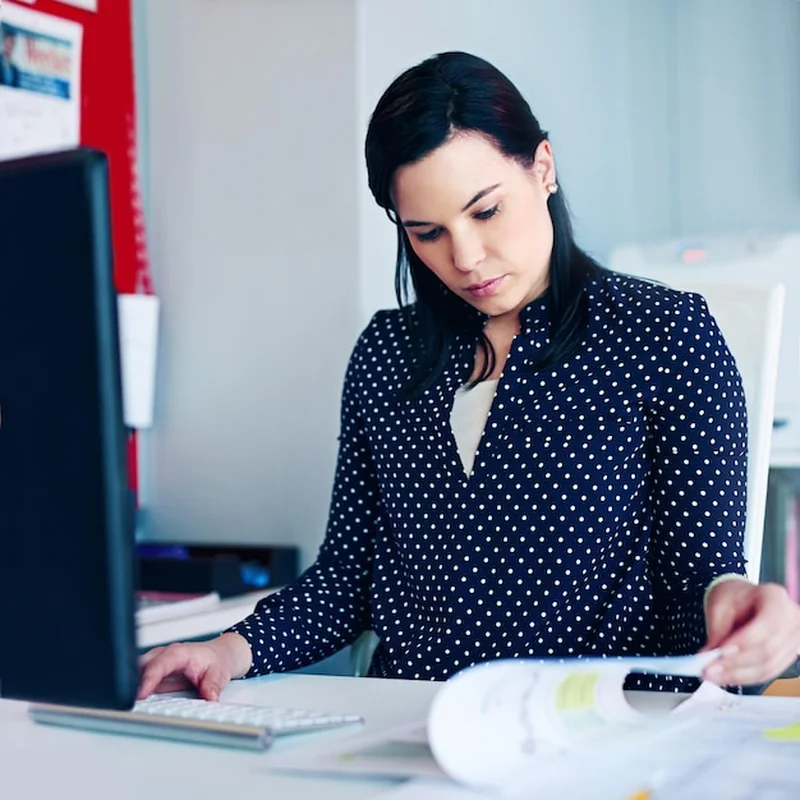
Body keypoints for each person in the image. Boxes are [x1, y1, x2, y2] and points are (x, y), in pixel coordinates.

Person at [138, 51, 800, 701]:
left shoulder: (666, 335)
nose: (465, 258)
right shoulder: (386, 354)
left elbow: (700, 582)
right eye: (427, 232)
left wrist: (740, 605)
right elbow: (346, 580)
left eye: (485, 212)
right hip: (407, 729)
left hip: (602, 733)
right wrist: (223, 650)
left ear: (543, 167)